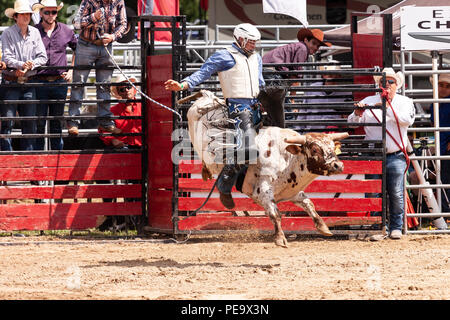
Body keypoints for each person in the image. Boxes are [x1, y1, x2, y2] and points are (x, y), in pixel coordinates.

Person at [164, 23, 265, 209]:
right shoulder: (224, 55)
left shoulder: (256, 58)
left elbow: (260, 82)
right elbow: (203, 73)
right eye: (251, 42)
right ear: (240, 39)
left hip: (256, 105)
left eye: (255, 42)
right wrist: (183, 85)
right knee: (249, 149)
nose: (254, 46)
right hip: (238, 107)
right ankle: (224, 184)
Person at [347, 67, 415, 240]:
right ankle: (379, 227)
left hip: (395, 153)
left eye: (390, 82)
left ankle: (395, 227)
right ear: (378, 84)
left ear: (397, 85)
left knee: (396, 192)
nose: (386, 85)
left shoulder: (405, 102)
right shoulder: (368, 100)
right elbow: (352, 124)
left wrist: (387, 107)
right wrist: (357, 113)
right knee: (374, 192)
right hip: (374, 153)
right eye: (383, 82)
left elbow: (407, 120)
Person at [67, 0, 127, 136]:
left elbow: (123, 24)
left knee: (104, 85)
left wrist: (112, 36)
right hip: (86, 44)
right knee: (78, 84)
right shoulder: (89, 1)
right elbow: (76, 23)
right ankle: (73, 122)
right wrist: (94, 17)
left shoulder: (118, 2)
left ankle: (105, 121)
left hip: (106, 45)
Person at [1, 0, 47, 151]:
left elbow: (43, 57)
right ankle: (7, 156)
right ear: (16, 16)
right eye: (23, 14)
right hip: (11, 82)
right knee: (8, 121)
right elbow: (7, 58)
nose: (26, 16)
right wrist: (23, 65)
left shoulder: (35, 33)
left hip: (28, 81)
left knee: (29, 122)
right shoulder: (7, 33)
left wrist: (30, 65)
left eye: (28, 14)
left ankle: (28, 157)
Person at [33, 0, 78, 151]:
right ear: (40, 13)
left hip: (59, 82)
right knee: (39, 122)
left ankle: (56, 157)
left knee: (56, 122)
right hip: (38, 81)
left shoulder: (66, 30)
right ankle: (38, 159)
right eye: (47, 12)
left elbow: (78, 49)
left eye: (54, 12)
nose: (51, 15)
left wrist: (72, 70)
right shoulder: (34, 31)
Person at [262, 28, 331, 86]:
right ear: (306, 40)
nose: (316, 47)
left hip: (268, 68)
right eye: (313, 43)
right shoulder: (303, 48)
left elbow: (295, 71)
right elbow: (296, 71)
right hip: (270, 70)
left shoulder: (301, 46)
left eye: (318, 46)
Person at [295, 64, 352, 133]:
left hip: (332, 136)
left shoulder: (346, 93)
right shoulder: (312, 89)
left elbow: (349, 119)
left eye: (334, 74)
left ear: (339, 76)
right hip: (312, 134)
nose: (330, 76)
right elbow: (303, 113)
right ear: (323, 75)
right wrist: (298, 133)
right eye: (328, 74)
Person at [99, 75, 142, 149]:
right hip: (123, 147)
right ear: (119, 93)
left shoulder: (144, 107)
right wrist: (113, 140)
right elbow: (103, 130)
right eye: (122, 89)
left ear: (134, 89)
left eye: (129, 87)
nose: (126, 90)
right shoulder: (113, 111)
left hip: (143, 146)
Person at [429, 73, 450, 213]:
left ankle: (446, 211)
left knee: (446, 179)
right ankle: (445, 211)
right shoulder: (434, 103)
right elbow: (433, 124)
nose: (443, 89)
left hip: (446, 146)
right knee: (443, 178)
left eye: (447, 86)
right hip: (441, 146)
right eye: (441, 85)